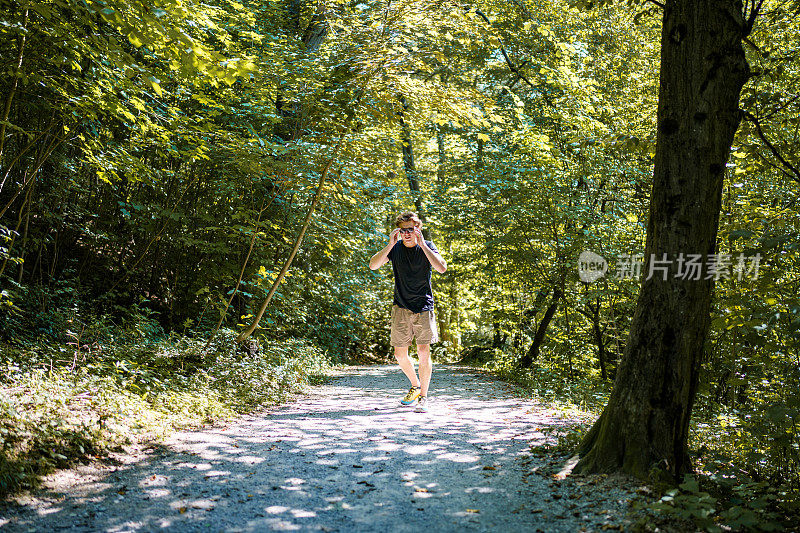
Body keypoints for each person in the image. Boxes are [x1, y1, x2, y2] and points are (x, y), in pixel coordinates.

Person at [369, 212, 447, 413]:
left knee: (423, 352)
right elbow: (373, 265)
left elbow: (441, 268)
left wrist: (422, 245)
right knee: (399, 355)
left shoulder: (428, 246)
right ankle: (415, 384)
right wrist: (390, 243)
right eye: (403, 230)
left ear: (417, 229)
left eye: (410, 229)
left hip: (423, 306)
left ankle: (424, 397)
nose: (407, 234)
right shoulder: (394, 249)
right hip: (401, 307)